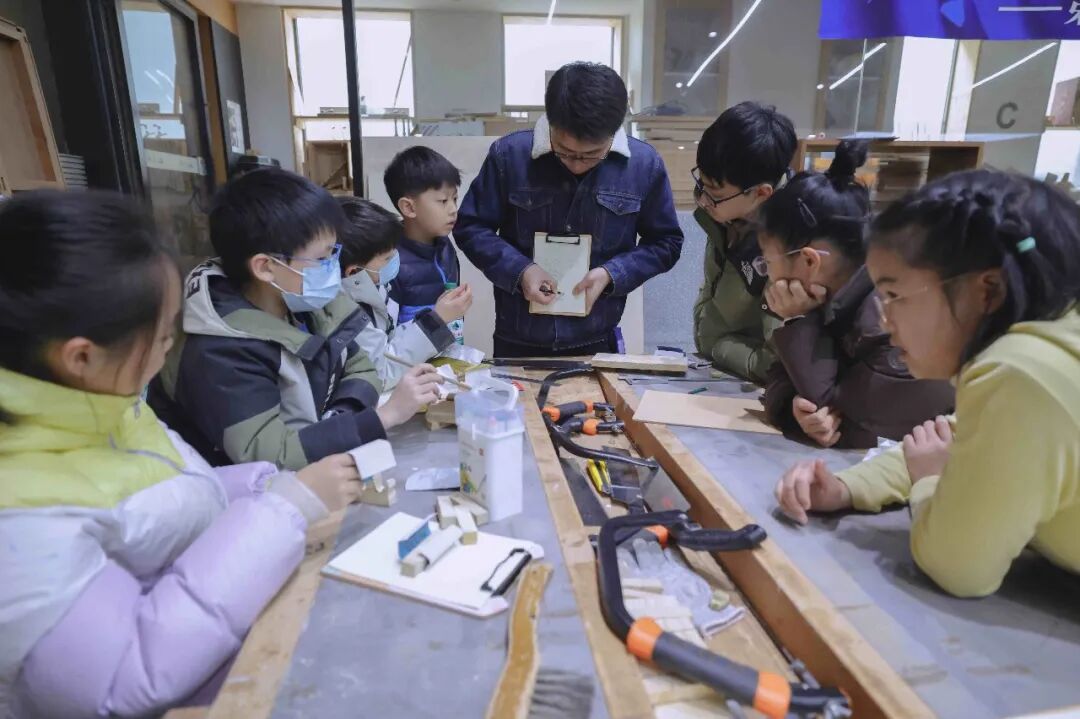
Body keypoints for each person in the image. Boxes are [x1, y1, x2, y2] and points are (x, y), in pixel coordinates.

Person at [0, 191, 363, 716]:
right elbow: (125, 676)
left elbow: (165, 498)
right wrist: (282, 511)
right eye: (163, 334)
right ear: (81, 356)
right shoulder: (19, 521)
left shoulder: (100, 401)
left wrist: (263, 486)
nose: (173, 345)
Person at [774, 170, 1080, 598]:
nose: (885, 320)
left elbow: (958, 566)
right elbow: (947, 444)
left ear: (987, 290)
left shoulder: (1019, 373)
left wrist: (928, 484)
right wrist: (848, 487)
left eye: (894, 296)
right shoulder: (1046, 347)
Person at [149, 169, 441, 471]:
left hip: (312, 471)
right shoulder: (219, 350)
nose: (333, 267)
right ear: (266, 267)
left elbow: (361, 366)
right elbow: (273, 455)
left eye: (333, 253)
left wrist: (339, 419)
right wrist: (384, 416)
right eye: (322, 258)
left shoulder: (304, 301)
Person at [455, 61, 683, 357]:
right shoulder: (509, 156)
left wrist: (611, 274)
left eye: (592, 155)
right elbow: (471, 227)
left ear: (613, 133)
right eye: (564, 152)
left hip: (597, 340)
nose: (576, 164)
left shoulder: (643, 165)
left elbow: (666, 243)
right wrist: (521, 270)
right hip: (518, 339)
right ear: (550, 124)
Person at [757, 140, 954, 448]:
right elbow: (778, 378)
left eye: (767, 262)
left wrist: (799, 322)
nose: (767, 275)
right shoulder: (832, 298)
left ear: (809, 261)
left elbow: (852, 421)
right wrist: (792, 407)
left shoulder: (891, 316)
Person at [692, 101, 796, 383]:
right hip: (719, 366)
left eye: (714, 193)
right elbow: (713, 285)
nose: (702, 200)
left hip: (753, 385)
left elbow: (774, 362)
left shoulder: (789, 243)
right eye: (700, 185)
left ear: (761, 193)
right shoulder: (728, 213)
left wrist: (717, 346)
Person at [337, 196, 472, 387]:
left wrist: (435, 316)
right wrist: (437, 320)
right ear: (354, 272)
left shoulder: (373, 287)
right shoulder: (345, 311)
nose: (395, 259)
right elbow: (382, 372)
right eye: (387, 258)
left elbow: (389, 341)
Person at [383, 146, 465, 339]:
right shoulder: (389, 261)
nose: (453, 209)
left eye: (455, 199)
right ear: (409, 208)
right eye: (443, 201)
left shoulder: (445, 247)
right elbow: (387, 339)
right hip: (409, 356)